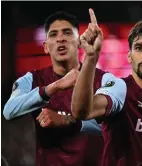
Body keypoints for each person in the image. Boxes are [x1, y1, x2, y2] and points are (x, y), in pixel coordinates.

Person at [71, 9, 142, 166]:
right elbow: (80, 111)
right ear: (129, 56)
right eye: (139, 48)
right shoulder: (120, 89)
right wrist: (91, 58)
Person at [3, 10, 114, 166]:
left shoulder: (104, 79)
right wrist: (54, 87)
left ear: (78, 42)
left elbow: (114, 126)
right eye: (53, 35)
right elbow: (9, 111)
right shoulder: (32, 79)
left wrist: (66, 119)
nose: (60, 38)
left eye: (67, 33)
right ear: (46, 47)